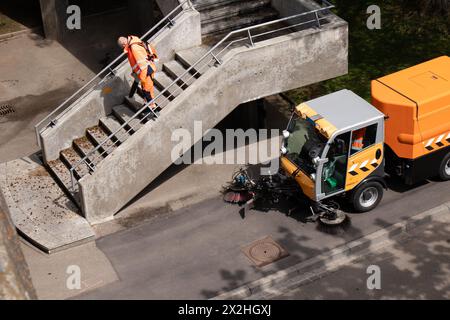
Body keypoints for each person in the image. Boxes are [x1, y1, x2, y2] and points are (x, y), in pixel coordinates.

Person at [118, 35, 159, 109]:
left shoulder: (133, 48)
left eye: (123, 47)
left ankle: (152, 107)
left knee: (146, 90)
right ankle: (151, 105)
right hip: (147, 69)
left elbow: (142, 63)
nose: (124, 48)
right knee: (148, 88)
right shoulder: (133, 42)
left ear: (124, 44)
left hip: (145, 70)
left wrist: (142, 78)